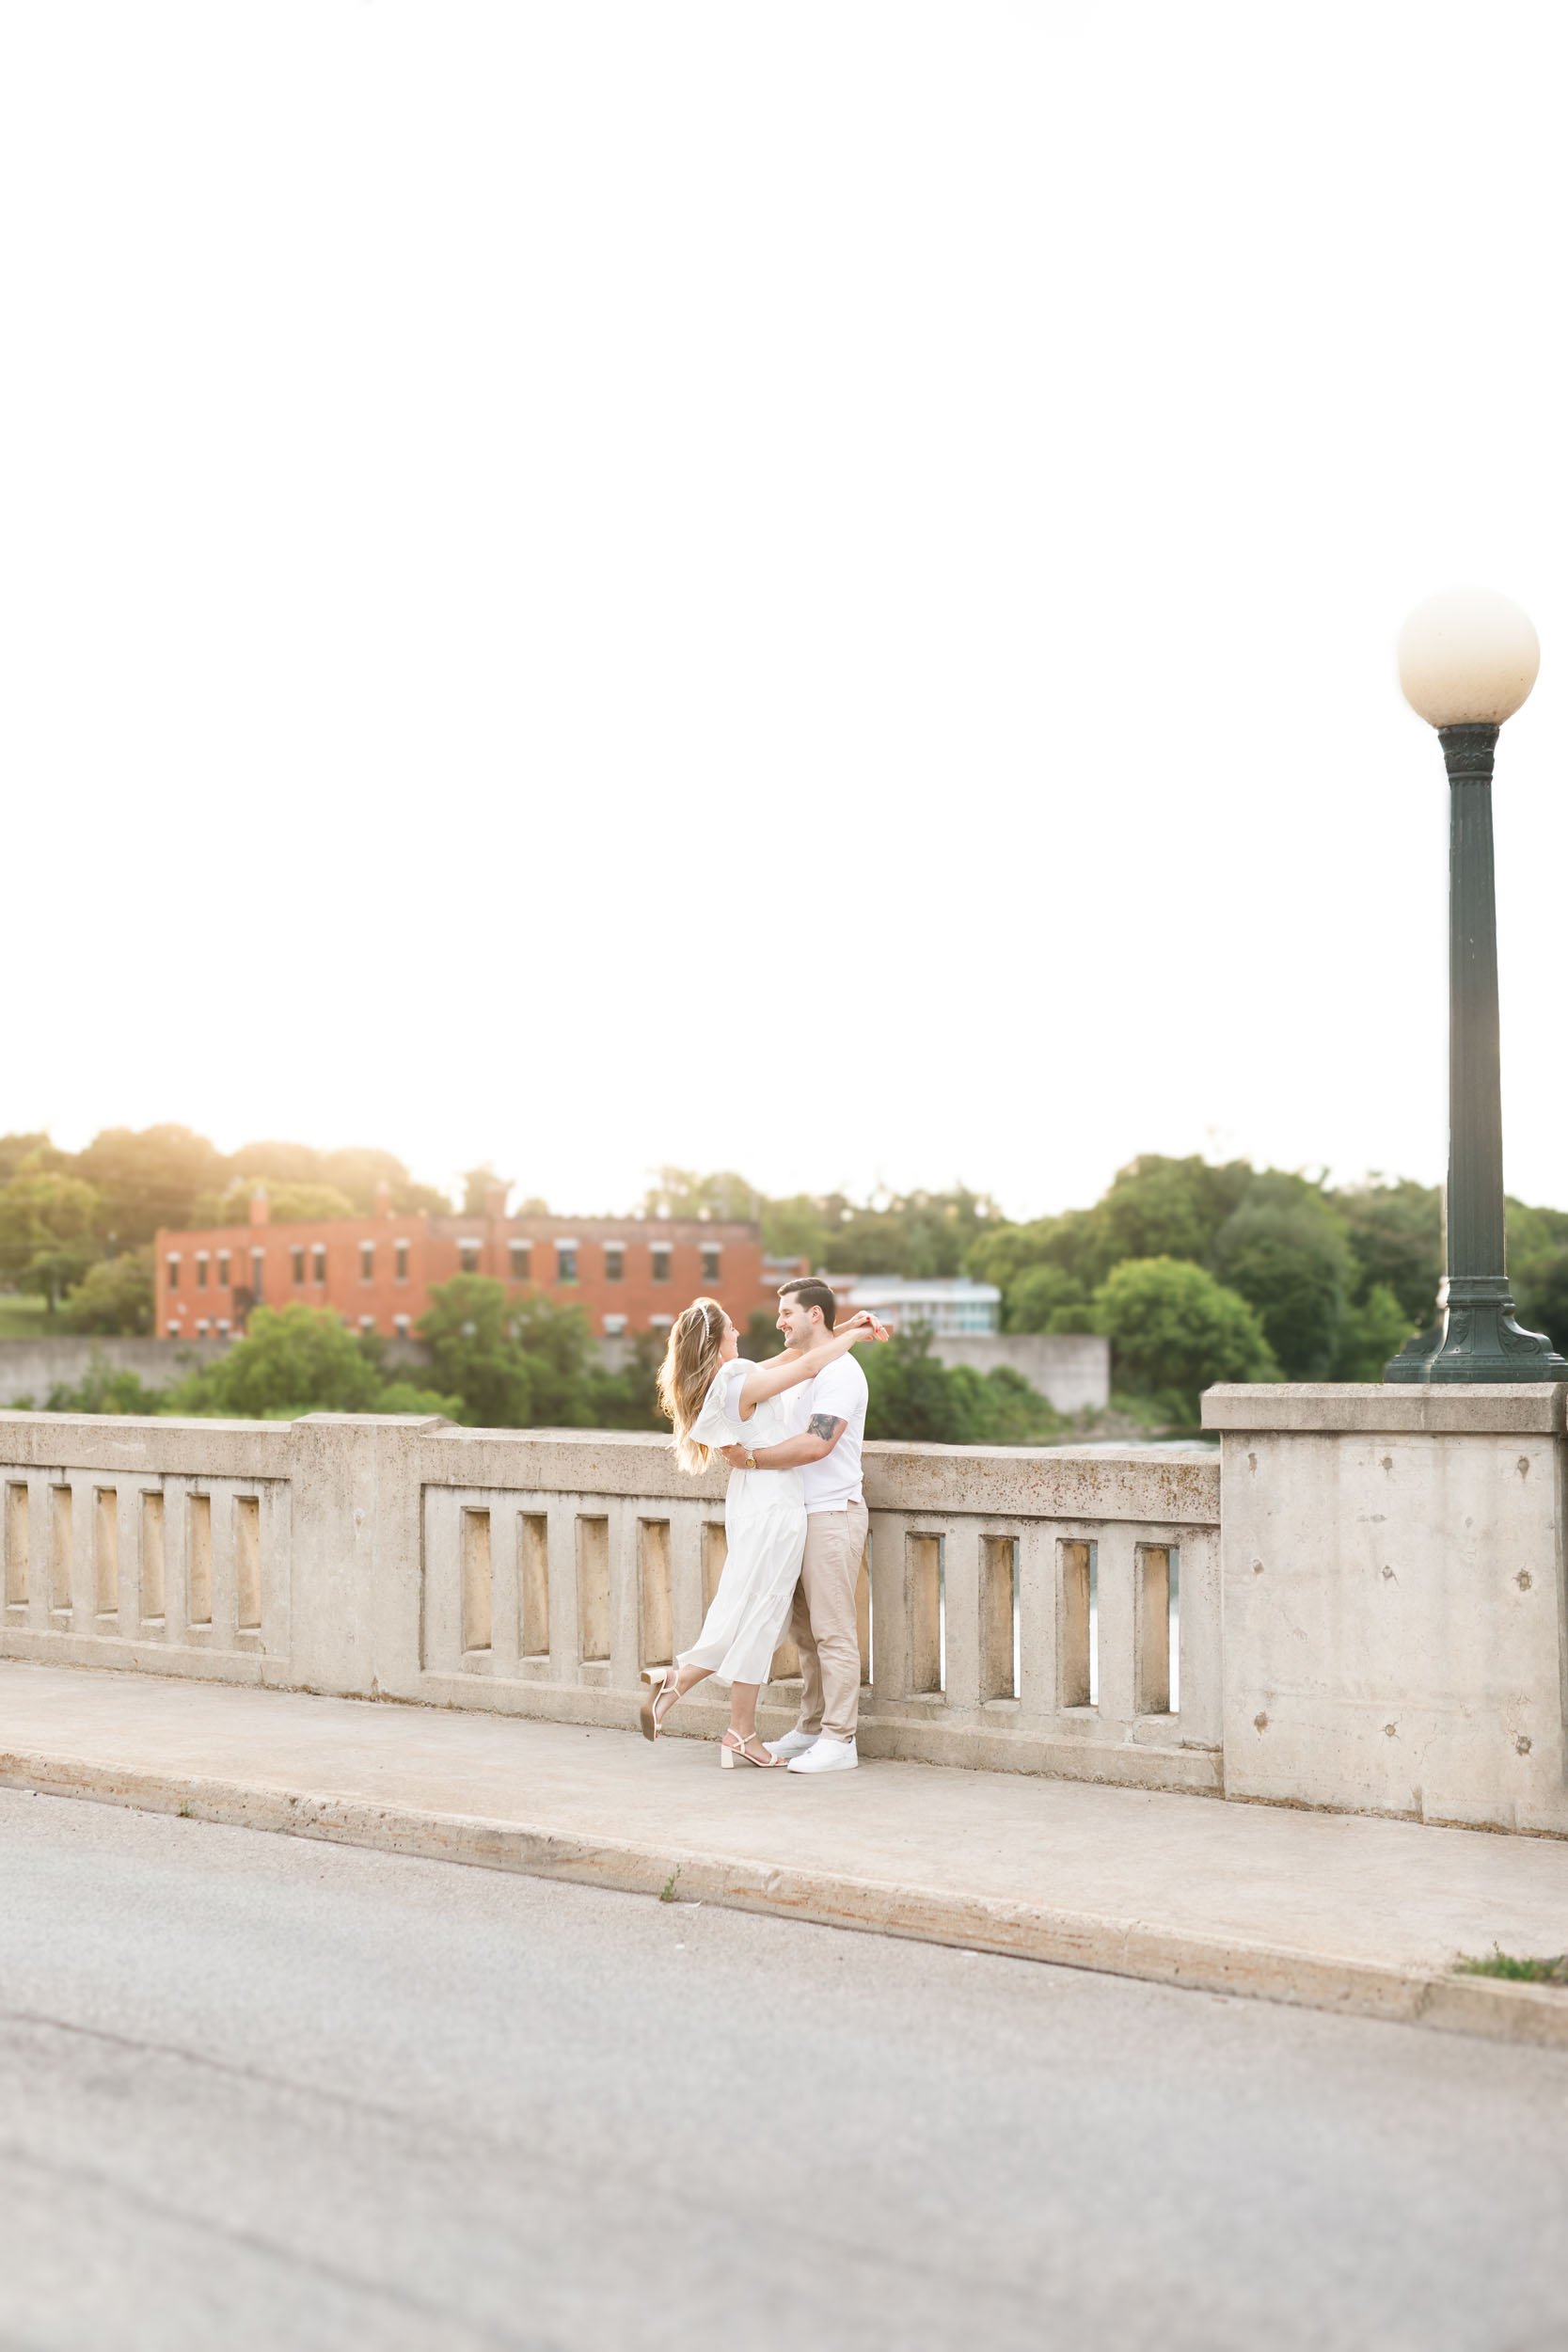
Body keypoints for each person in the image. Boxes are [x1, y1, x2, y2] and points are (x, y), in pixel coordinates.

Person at [644, 1295, 887, 1767]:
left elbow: (795, 1359)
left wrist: (842, 1333)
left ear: (813, 1314)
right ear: (717, 1343)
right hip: (776, 1505)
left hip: (778, 1503)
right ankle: (736, 1717)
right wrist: (856, 1335)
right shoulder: (737, 1380)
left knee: (779, 1615)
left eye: (786, 1313)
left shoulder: (720, 1381)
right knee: (767, 1612)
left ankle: (814, 1733)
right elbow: (802, 1365)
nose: (747, 1331)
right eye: (732, 1328)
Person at [717, 1276, 871, 1776]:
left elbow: (817, 1444)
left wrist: (752, 1460)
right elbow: (746, 1378)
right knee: (805, 1635)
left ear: (815, 1315)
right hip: (793, 1516)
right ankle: (810, 1728)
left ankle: (840, 1738)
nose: (779, 1321)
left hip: (831, 1511)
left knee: (833, 1632)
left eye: (787, 1313)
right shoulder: (805, 1368)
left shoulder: (841, 1373)